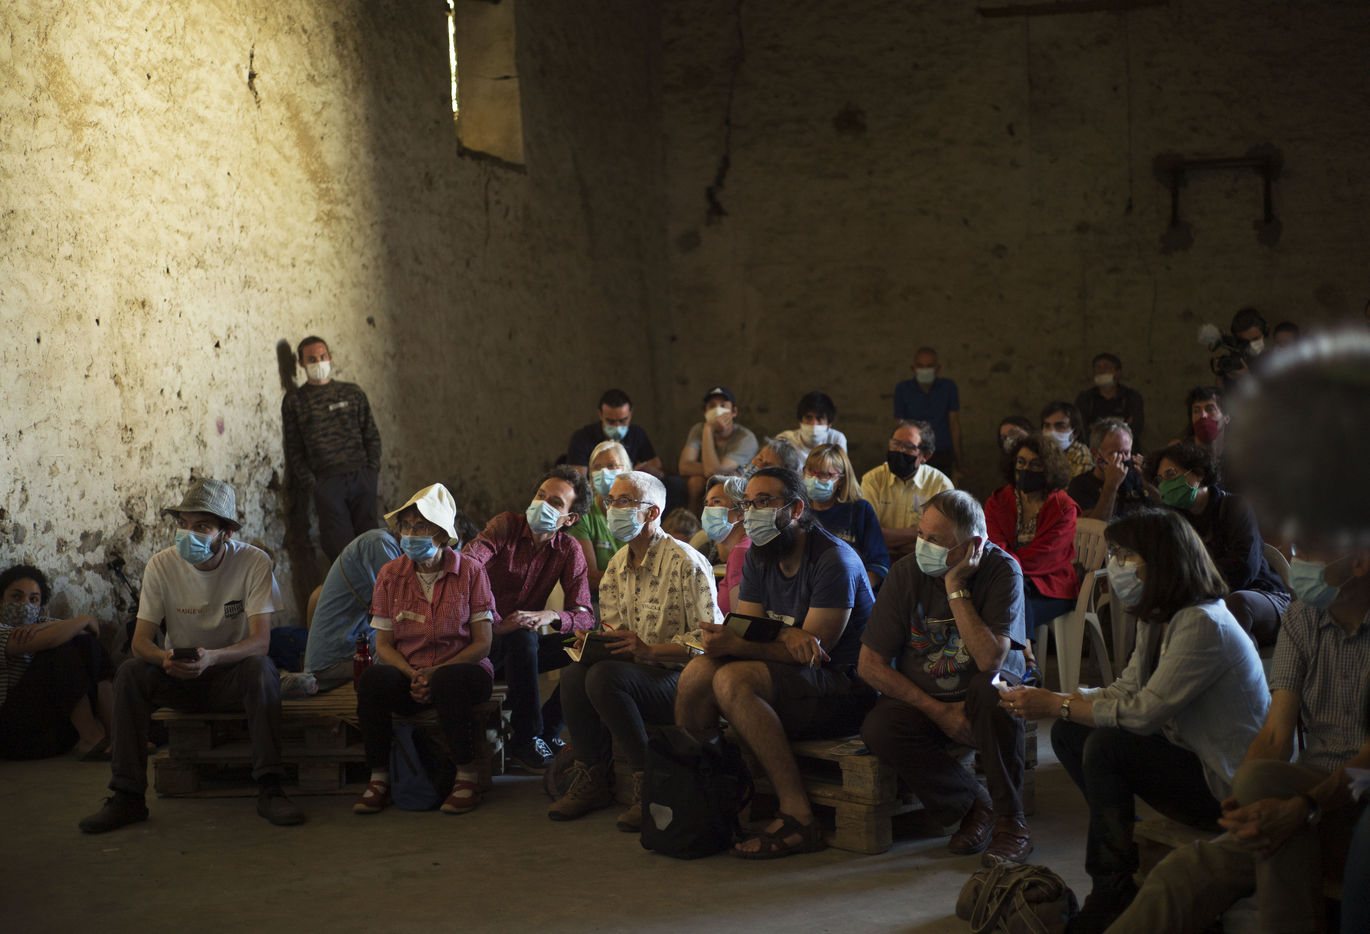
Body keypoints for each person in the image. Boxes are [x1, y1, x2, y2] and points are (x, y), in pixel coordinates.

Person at [1002, 509, 1269, 933]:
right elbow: (1125, 689)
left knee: (1107, 745)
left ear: (1161, 561)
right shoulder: (1160, 616)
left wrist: (1056, 705)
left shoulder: (1203, 622)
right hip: (1189, 756)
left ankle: (1112, 886)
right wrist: (1060, 700)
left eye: (1126, 555)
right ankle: (1120, 844)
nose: (1116, 565)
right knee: (1071, 732)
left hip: (1227, 785)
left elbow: (1143, 712)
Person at [1106, 539, 1369, 934]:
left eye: (1310, 550)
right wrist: (1244, 799)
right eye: (1297, 548)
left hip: (1357, 799)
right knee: (1179, 876)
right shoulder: (1301, 617)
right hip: (1308, 789)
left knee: (1274, 825)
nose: (1297, 561)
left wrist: (1303, 806)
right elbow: (1276, 734)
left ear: (1359, 562)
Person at [79, 478, 302, 833]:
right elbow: (140, 642)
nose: (188, 534)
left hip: (230, 678)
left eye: (202, 526)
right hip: (178, 678)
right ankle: (127, 796)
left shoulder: (253, 563)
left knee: (262, 669)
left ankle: (271, 788)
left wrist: (212, 658)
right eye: (183, 524)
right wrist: (164, 659)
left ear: (226, 533)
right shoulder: (161, 565)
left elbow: (260, 642)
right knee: (131, 673)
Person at [674, 467, 875, 858]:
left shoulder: (834, 559)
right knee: (698, 671)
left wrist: (755, 640)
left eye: (764, 502)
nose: (752, 512)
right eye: (749, 503)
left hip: (845, 688)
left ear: (796, 509)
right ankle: (701, 795)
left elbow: (814, 653)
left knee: (733, 680)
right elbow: (750, 631)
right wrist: (782, 633)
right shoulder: (758, 555)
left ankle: (798, 816)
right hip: (794, 678)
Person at [859, 490, 1033, 864]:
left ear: (972, 547)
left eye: (935, 540)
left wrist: (956, 588)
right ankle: (972, 805)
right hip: (930, 699)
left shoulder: (1002, 570)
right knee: (879, 727)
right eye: (921, 534)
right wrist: (938, 712)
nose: (923, 545)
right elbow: (869, 664)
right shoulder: (905, 572)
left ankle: (1011, 824)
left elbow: (989, 659)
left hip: (984, 693)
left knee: (993, 690)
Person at [548, 471, 722, 830]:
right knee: (575, 673)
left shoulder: (686, 563)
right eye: (610, 501)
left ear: (652, 512)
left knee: (604, 677)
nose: (613, 508)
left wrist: (651, 651)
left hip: (681, 680)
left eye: (624, 501)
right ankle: (591, 775)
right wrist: (597, 643)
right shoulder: (616, 566)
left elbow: (710, 642)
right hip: (635, 673)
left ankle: (650, 781)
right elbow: (615, 631)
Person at [352, 484, 496, 816]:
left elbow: (483, 643)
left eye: (421, 528)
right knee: (373, 680)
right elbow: (383, 645)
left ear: (442, 535)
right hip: (412, 676)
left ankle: (466, 776)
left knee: (448, 680)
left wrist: (436, 672)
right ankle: (379, 777)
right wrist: (413, 673)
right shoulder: (390, 575)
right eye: (406, 527)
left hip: (462, 674)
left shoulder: (471, 572)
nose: (410, 535)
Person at [462, 467, 594, 770]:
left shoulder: (568, 549)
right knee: (522, 636)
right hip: (482, 644)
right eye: (540, 495)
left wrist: (550, 615)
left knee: (587, 645)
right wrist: (497, 623)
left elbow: (585, 616)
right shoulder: (506, 526)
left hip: (523, 652)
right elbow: (466, 567)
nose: (542, 505)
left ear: (570, 519)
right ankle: (526, 738)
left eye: (555, 503)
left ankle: (548, 730)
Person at [1146, 442, 1289, 648]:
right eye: (1160, 479)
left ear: (1198, 473)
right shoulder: (1176, 521)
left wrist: (1192, 582)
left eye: (1171, 474)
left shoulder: (1236, 508)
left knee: (1234, 604)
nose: (1164, 484)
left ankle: (1241, 668)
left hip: (1264, 596)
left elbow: (1244, 569)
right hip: (1210, 600)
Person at [281, 336, 382, 561]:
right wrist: (314, 484)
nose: (319, 362)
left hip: (361, 477)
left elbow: (371, 434)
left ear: (330, 357)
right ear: (301, 363)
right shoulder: (295, 401)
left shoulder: (352, 393)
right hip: (327, 483)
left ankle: (377, 585)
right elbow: (294, 448)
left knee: (372, 544)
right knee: (340, 550)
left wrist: (371, 471)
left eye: (322, 356)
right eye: (312, 359)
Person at [986, 434, 1079, 676]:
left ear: (1048, 468)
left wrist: (1009, 568)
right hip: (1010, 582)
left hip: (1053, 588)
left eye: (1035, 464)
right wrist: (1010, 570)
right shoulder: (999, 500)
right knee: (1013, 590)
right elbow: (994, 543)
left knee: (1007, 602)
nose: (1026, 469)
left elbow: (1047, 555)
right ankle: (1028, 661)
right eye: (1021, 462)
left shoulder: (1063, 506)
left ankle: (1018, 666)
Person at [0, 565, 115, 760]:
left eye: (33, 599)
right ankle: (90, 738)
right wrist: (83, 619)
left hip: (49, 729)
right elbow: (53, 639)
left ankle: (117, 734)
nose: (25, 604)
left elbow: (92, 630)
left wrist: (82, 621)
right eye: (16, 597)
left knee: (86, 643)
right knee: (59, 650)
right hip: (12, 734)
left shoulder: (41, 623)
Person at [299, 527, 402, 692]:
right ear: (400, 527)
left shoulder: (388, 544)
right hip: (337, 659)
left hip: (353, 645)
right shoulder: (379, 543)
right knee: (404, 657)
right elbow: (399, 606)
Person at [860, 419, 955, 563]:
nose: (899, 450)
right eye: (895, 443)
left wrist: (887, 540)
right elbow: (868, 536)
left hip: (924, 565)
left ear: (925, 455)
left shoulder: (940, 485)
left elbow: (941, 543)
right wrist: (917, 533)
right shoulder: (872, 480)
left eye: (909, 447)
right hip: (878, 562)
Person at [803, 443, 890, 589]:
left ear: (841, 479)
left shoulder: (859, 510)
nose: (814, 479)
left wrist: (853, 591)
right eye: (810, 471)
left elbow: (878, 565)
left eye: (825, 474)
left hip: (852, 592)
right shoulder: (799, 510)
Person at [678, 386, 760, 513]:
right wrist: (708, 429)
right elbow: (684, 467)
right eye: (712, 406)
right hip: (710, 479)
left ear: (734, 412)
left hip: (737, 485)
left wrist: (709, 429)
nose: (717, 410)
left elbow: (713, 472)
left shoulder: (745, 438)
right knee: (695, 482)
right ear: (705, 412)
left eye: (723, 405)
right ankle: (691, 521)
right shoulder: (699, 429)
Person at [893, 346, 966, 477]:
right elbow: (899, 426)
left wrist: (960, 462)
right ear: (913, 368)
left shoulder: (948, 388)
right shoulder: (903, 389)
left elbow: (954, 426)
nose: (925, 370)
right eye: (921, 366)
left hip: (942, 453)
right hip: (913, 454)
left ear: (937, 369)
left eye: (929, 366)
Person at [1066, 418, 1158, 521]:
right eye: (1116, 453)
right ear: (1095, 454)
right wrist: (1111, 486)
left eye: (1126, 453)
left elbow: (1164, 512)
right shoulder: (1080, 485)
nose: (1123, 459)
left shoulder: (1137, 476)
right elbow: (1093, 525)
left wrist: (1149, 483)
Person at [568, 441, 629, 593]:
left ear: (626, 470)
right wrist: (634, 580)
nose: (603, 473)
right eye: (597, 467)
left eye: (611, 466)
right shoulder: (583, 516)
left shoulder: (638, 513)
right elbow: (589, 578)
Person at [565, 389, 664, 479]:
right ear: (600, 414)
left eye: (623, 420)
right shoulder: (582, 438)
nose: (617, 426)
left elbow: (657, 467)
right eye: (611, 421)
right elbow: (578, 481)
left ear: (631, 414)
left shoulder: (637, 434)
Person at [698, 475, 749, 614]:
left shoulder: (742, 552)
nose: (708, 509)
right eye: (706, 503)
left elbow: (739, 619)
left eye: (716, 502)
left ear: (742, 510)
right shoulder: (707, 549)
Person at [1075, 353, 1146, 444]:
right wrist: (1122, 427)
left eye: (1106, 367)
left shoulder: (1131, 397)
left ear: (1118, 372)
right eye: (1098, 367)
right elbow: (1081, 427)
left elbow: (1136, 427)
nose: (1101, 371)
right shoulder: (1085, 398)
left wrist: (1097, 430)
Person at [775, 391, 849, 460]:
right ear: (800, 420)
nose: (814, 424)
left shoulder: (836, 440)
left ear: (829, 424)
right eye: (808, 417)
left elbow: (841, 468)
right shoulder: (785, 440)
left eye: (819, 418)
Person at [1040, 400, 1092, 479]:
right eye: (1047, 426)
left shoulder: (1080, 454)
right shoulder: (1039, 450)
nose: (1052, 431)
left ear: (1075, 433)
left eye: (1060, 426)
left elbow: (1077, 486)